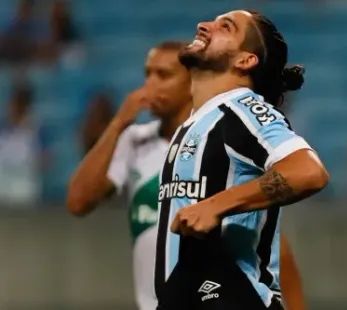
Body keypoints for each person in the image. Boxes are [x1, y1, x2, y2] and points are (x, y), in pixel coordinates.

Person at [67, 41, 306, 310]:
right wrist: (118, 122)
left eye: (163, 75)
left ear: (191, 82)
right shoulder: (135, 141)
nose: (150, 85)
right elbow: (78, 201)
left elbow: (270, 241)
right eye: (148, 74)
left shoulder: (220, 139)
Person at [155, 10, 328, 310]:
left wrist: (216, 204)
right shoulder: (199, 122)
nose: (203, 25)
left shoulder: (241, 109)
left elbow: (308, 171)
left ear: (245, 60)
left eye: (226, 27)